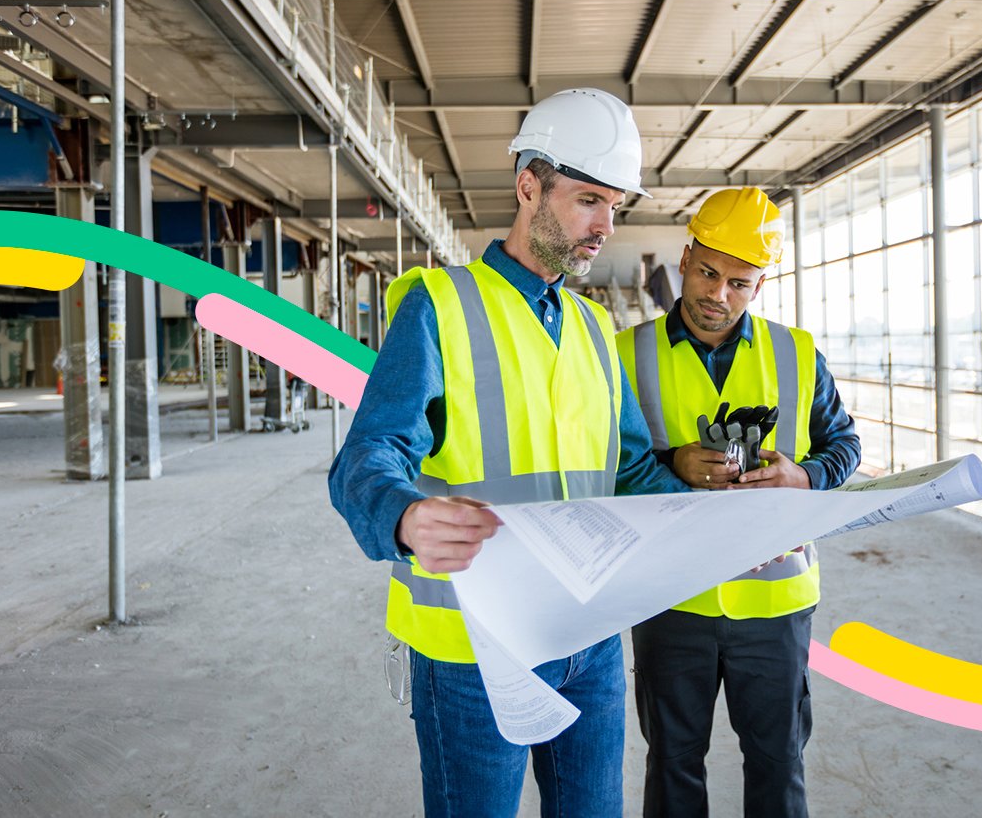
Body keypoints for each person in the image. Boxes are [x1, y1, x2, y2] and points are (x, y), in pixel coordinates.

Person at [327, 87, 688, 818]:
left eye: (614, 205)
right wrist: (405, 516)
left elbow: (631, 472)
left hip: (587, 635)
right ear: (530, 186)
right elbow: (365, 456)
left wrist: (731, 521)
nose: (604, 226)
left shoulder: (592, 327)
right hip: (472, 647)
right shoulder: (440, 305)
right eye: (588, 199)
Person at [615, 187, 862, 818]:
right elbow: (602, 467)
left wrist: (801, 478)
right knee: (672, 761)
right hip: (669, 597)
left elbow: (845, 446)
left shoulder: (798, 354)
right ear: (687, 254)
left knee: (778, 760)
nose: (717, 295)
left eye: (740, 283)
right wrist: (672, 462)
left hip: (775, 604)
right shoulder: (625, 355)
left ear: (760, 285)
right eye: (706, 272)